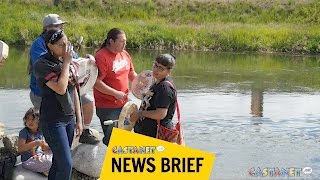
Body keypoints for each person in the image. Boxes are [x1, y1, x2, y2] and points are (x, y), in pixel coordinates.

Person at [28, 13, 99, 145]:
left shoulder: (62, 40)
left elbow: (74, 59)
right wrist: (66, 64)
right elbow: (46, 68)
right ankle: (43, 145)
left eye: (61, 26)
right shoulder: (39, 44)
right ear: (48, 28)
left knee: (88, 101)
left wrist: (87, 61)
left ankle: (85, 131)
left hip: (66, 89)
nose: (61, 28)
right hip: (45, 91)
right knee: (54, 124)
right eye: (58, 26)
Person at [34, 29, 82, 179]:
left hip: (69, 117)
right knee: (66, 165)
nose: (66, 48)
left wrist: (79, 120)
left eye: (67, 44)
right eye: (61, 45)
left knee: (58, 162)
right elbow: (61, 89)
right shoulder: (42, 64)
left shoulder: (67, 60)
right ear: (50, 45)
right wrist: (67, 62)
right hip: (52, 120)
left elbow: (73, 90)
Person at [94, 28, 137, 146]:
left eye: (125, 41)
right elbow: (96, 83)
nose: (125, 44)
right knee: (113, 140)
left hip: (125, 105)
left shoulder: (125, 54)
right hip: (107, 107)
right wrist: (115, 93)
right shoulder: (101, 56)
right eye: (121, 41)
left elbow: (132, 74)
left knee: (124, 137)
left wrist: (142, 85)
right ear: (111, 41)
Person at [134, 54, 177, 138]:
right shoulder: (157, 81)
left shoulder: (165, 88)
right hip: (146, 131)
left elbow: (160, 114)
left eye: (161, 68)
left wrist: (139, 113)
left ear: (169, 71)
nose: (156, 70)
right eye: (155, 65)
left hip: (155, 134)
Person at [18, 107, 52, 176]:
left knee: (57, 154)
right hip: (29, 160)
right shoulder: (24, 132)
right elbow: (20, 149)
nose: (30, 122)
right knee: (49, 162)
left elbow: (43, 148)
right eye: (28, 119)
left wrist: (53, 147)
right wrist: (35, 143)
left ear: (39, 121)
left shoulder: (40, 132)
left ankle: (43, 169)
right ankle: (42, 170)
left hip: (39, 156)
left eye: (33, 119)